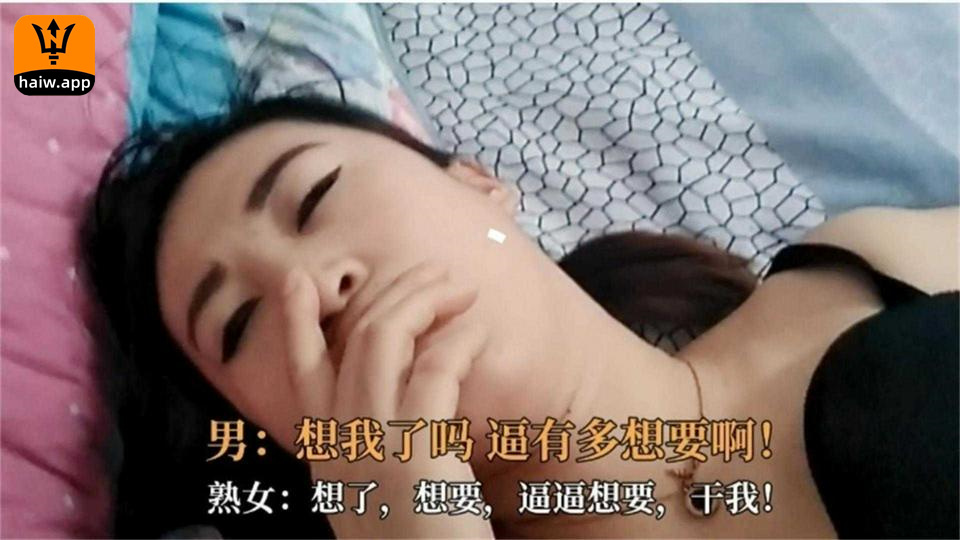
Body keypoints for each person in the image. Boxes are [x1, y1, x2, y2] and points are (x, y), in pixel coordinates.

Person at [81, 85, 959, 539]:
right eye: (240, 326)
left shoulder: (862, 270)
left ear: (477, 184)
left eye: (315, 198)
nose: (313, 292)